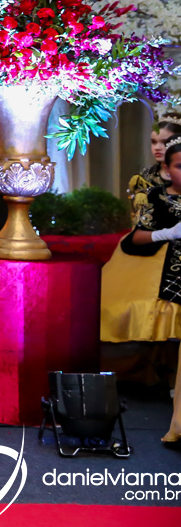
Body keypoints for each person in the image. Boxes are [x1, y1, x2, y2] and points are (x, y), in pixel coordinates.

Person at [119, 135, 181, 447]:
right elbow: (135, 239)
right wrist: (167, 233)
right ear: (168, 170)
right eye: (180, 166)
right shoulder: (157, 197)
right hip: (169, 277)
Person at [101, 114, 181, 344]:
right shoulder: (148, 184)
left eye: (165, 142)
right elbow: (140, 223)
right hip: (154, 245)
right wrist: (165, 233)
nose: (158, 147)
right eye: (154, 142)